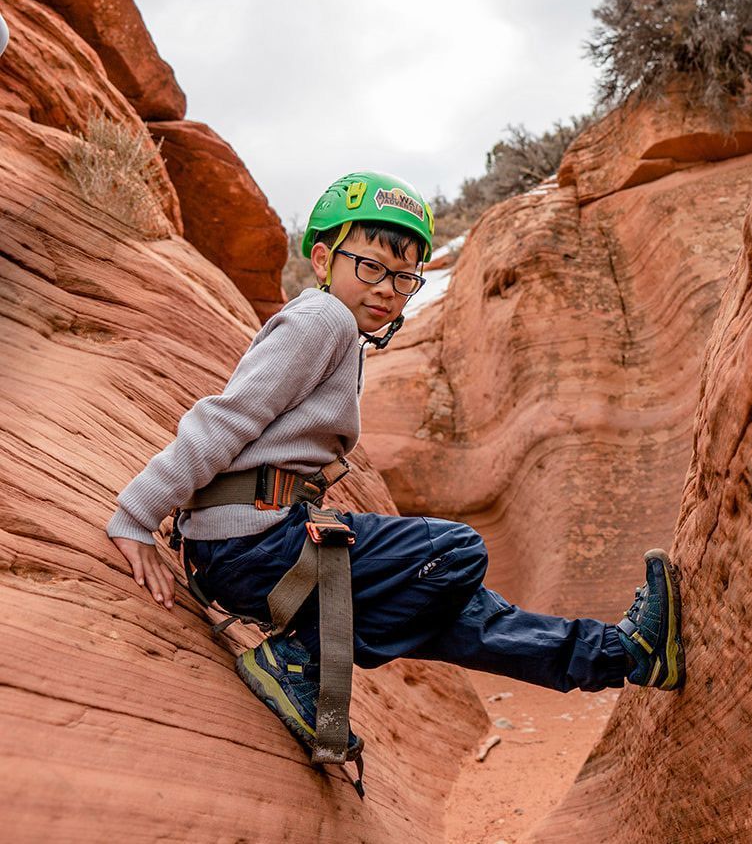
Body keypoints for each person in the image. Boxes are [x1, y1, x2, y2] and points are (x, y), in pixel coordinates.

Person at [107, 170, 684, 794]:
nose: (389, 290)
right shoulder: (322, 318)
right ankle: (300, 658)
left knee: (464, 618)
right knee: (456, 551)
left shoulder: (341, 334)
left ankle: (626, 655)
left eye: (406, 278)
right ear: (325, 259)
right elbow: (226, 416)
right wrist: (138, 514)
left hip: (263, 547)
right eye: (373, 267)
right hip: (255, 545)